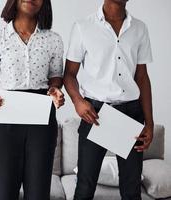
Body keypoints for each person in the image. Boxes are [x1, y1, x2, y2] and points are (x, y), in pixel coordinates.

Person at [63, 0, 154, 199]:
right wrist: (78, 101)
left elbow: (142, 77)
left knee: (132, 189)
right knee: (85, 187)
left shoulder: (140, 28)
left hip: (131, 114)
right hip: (95, 115)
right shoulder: (83, 26)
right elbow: (69, 74)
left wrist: (149, 123)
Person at [0, 0, 65, 199]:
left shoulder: (53, 39)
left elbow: (56, 76)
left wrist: (55, 89)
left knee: (38, 193)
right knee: (5, 193)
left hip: (42, 119)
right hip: (6, 118)